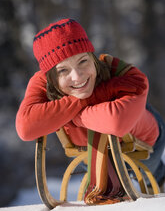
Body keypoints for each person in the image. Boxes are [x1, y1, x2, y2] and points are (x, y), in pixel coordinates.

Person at [16, 18, 165, 201]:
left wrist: (70, 116)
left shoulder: (123, 73)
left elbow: (116, 121)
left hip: (144, 146)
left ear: (92, 57)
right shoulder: (42, 82)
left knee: (153, 173)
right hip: (90, 153)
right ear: (51, 76)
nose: (77, 76)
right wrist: (94, 97)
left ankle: (161, 177)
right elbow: (25, 127)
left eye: (83, 61)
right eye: (63, 71)